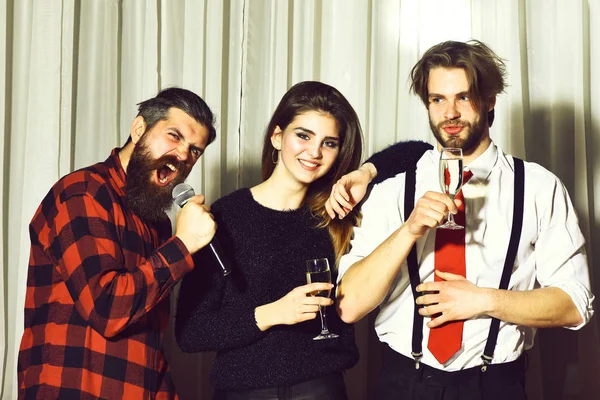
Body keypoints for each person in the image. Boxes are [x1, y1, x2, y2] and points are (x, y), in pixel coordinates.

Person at [329, 40, 594, 399]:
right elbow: (348, 306)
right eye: (437, 99)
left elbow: (575, 304)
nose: (449, 113)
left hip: (496, 384)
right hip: (403, 381)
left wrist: (485, 300)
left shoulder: (537, 187)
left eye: (463, 97)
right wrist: (408, 231)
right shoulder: (392, 188)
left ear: (489, 100)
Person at [18, 87, 218, 400]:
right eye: (174, 136)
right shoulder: (82, 193)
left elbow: (149, 335)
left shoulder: (158, 222)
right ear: (139, 129)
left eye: (195, 150)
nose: (183, 155)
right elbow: (107, 309)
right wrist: (184, 244)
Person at [175, 81, 364, 400]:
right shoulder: (225, 216)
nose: (315, 152)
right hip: (244, 391)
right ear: (277, 136)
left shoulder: (334, 216)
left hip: (321, 388)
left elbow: (411, 154)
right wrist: (275, 313)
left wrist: (368, 172)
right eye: (303, 135)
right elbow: (190, 333)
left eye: (329, 143)